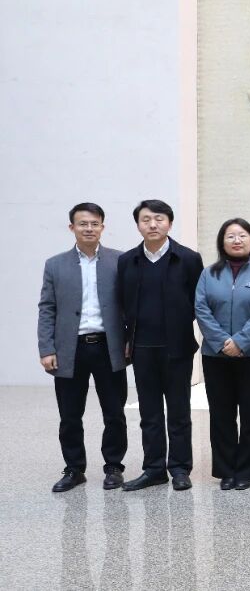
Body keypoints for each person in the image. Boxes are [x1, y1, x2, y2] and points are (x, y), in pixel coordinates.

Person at [37, 203, 128, 492]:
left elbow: (130, 305)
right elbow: (47, 308)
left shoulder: (120, 261)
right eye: (83, 224)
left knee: (114, 412)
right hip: (69, 349)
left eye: (94, 223)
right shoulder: (55, 264)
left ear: (102, 227)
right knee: (69, 415)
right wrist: (46, 348)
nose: (89, 228)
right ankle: (74, 469)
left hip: (108, 346)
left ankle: (114, 467)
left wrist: (129, 341)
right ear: (72, 227)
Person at [116, 199, 204, 492]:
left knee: (179, 412)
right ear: (138, 224)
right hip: (142, 349)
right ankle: (153, 469)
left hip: (177, 348)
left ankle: (179, 468)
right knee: (149, 413)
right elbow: (122, 304)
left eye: (159, 219)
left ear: (170, 223)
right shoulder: (127, 261)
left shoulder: (188, 259)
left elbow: (198, 302)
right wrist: (126, 340)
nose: (152, 224)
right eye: (146, 220)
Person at [194, 218, 250, 490]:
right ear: (222, 242)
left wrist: (241, 342)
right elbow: (201, 309)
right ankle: (226, 470)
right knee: (221, 414)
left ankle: (249, 471)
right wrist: (221, 342)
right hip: (215, 356)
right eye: (230, 236)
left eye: (242, 235)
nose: (237, 240)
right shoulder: (209, 274)